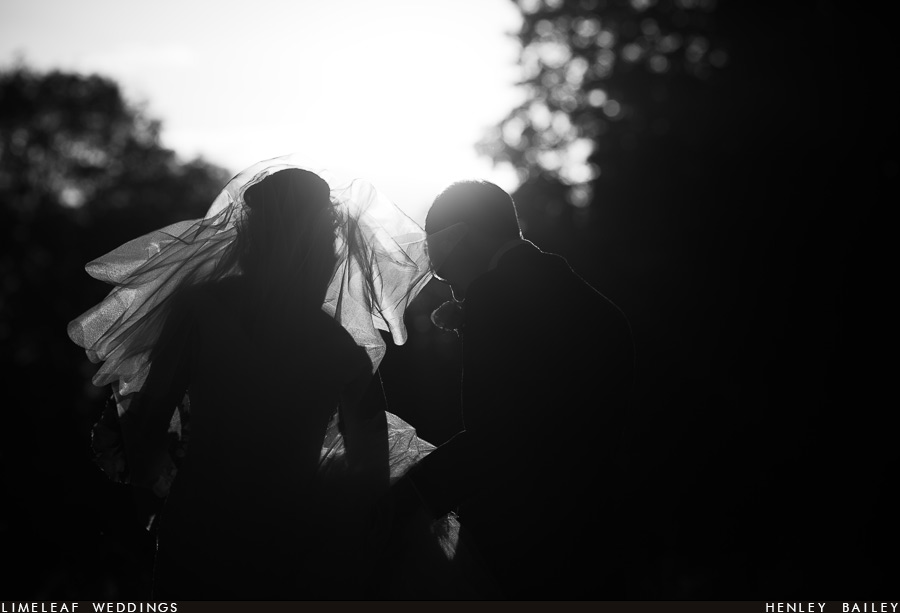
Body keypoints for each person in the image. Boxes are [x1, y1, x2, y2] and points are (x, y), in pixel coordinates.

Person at [68, 156, 455, 599]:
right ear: (325, 243)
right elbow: (372, 473)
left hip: (200, 525)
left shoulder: (201, 311)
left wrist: (148, 469)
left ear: (251, 235)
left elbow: (148, 425)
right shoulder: (340, 349)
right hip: (291, 540)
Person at [386, 180, 636, 599]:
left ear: (463, 236)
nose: (440, 274)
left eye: (441, 254)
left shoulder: (495, 296)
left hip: (526, 541)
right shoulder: (580, 294)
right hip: (597, 530)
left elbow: (495, 436)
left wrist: (407, 497)